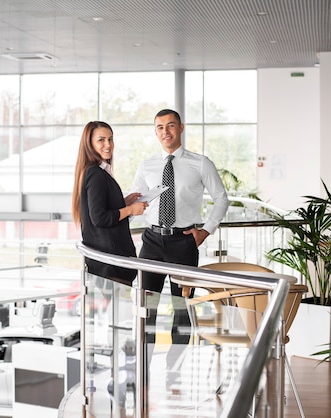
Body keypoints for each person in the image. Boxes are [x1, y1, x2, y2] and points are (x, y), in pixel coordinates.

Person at [130, 108, 230, 390]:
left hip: (183, 244)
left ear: (181, 128)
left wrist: (205, 231)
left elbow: (221, 199)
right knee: (146, 309)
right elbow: (136, 202)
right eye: (160, 127)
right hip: (151, 243)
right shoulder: (147, 165)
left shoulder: (200, 164)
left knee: (181, 311)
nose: (165, 132)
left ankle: (174, 372)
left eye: (170, 125)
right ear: (156, 132)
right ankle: (143, 372)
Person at [72, 121, 148, 291]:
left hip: (108, 264)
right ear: (89, 143)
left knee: (114, 314)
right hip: (110, 265)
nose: (108, 145)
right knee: (117, 314)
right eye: (101, 140)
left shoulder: (97, 171)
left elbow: (102, 208)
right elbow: (99, 218)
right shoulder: (95, 174)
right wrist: (130, 210)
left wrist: (124, 202)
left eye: (110, 139)